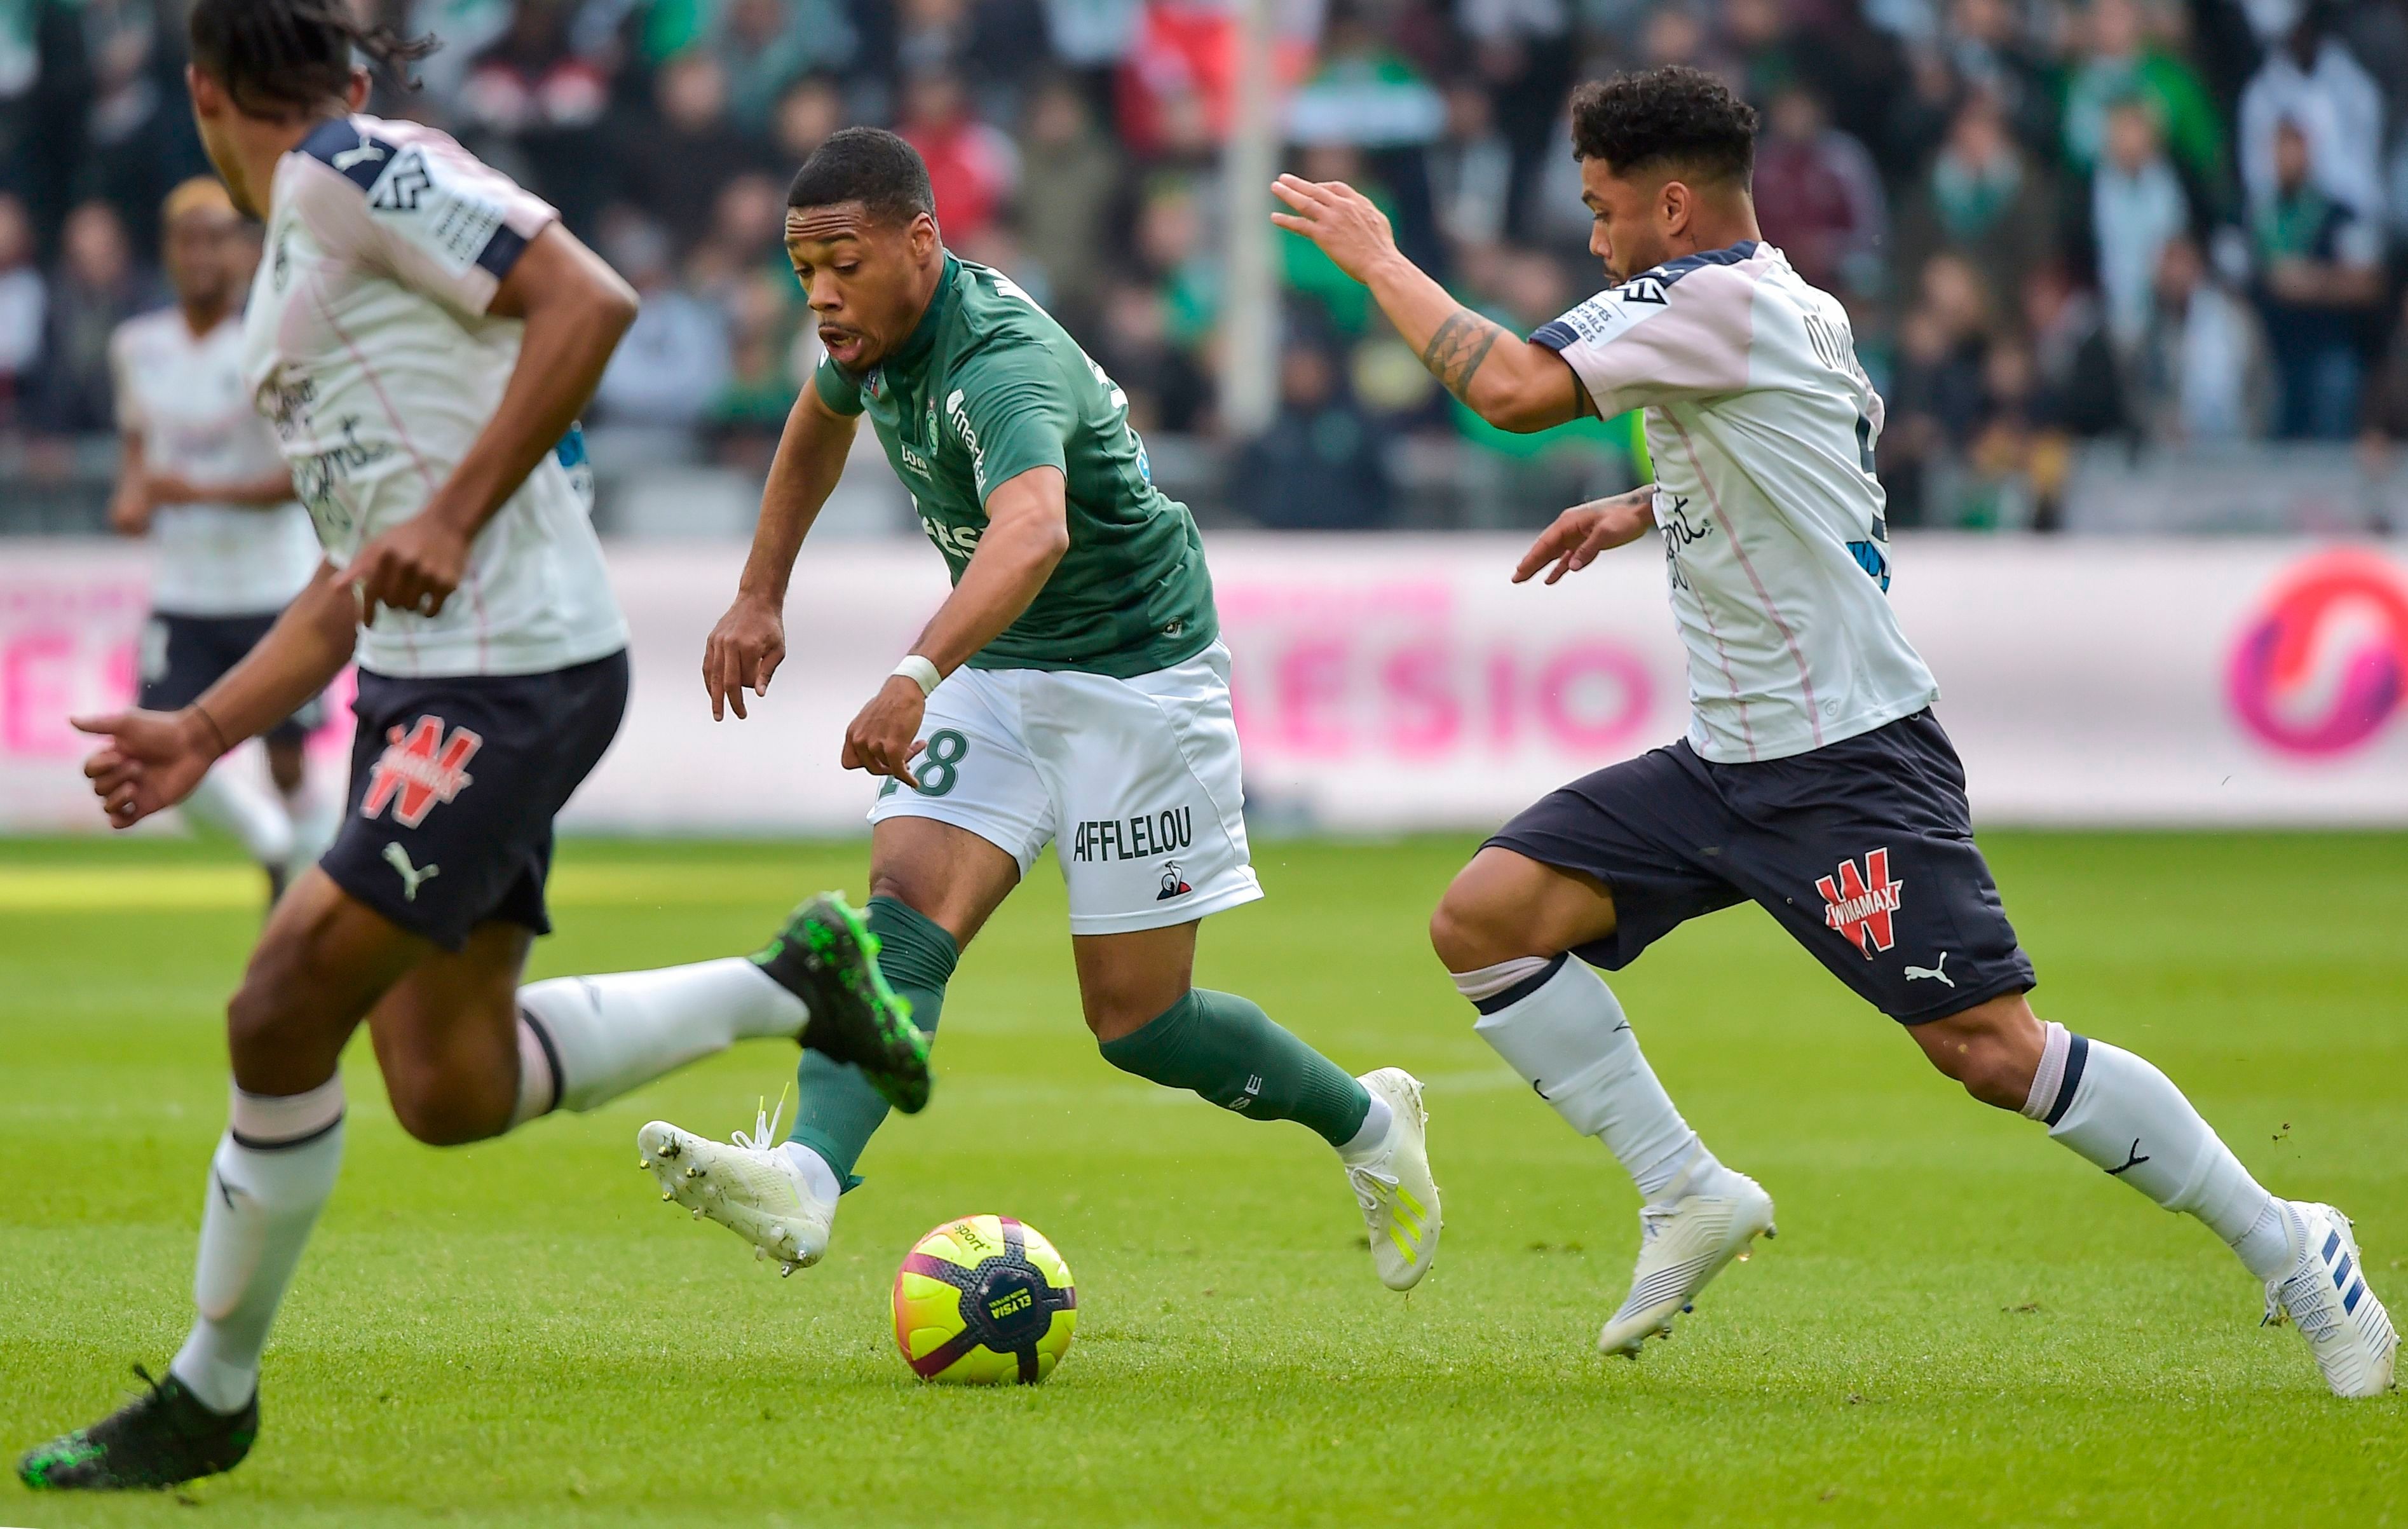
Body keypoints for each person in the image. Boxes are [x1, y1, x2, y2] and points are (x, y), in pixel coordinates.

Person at [1270, 64, 2397, 1397]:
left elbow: (1511, 391)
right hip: (1725, 759)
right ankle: (1685, 1190)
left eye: (1602, 210)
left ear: (1671, 208)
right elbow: (1811, 456)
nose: (1592, 238)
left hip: (1844, 761)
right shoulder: (1793, 303)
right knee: (1484, 922)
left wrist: (1378, 260)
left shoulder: (1704, 300)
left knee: (1990, 1052)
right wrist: (1649, 503)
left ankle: (2290, 1245)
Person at [18, 0, 922, 1493]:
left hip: (507, 674)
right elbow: (356, 568)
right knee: (445, 1083)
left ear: (200, 94)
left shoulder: (352, 173)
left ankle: (209, 1388)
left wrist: (450, 517)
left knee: (272, 1011)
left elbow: (592, 300)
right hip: (427, 678)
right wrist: (204, 725)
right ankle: (796, 980)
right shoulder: (307, 251)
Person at [643, 127, 1439, 1299]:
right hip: (1001, 664)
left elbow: (1033, 531)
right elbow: (818, 422)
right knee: (902, 913)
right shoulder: (870, 331)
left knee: (1138, 1023)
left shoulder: (997, 362)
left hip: (1136, 677)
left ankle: (1370, 1124)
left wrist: (909, 675)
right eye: (800, 268)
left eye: (841, 264)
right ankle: (805, 1178)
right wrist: (759, 592)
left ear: (921, 239)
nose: (817, 295)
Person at [109, 177, 332, 902]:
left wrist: (196, 493)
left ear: (242, 251)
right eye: (187, 239)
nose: (201, 254)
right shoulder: (137, 346)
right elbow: (137, 456)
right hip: (185, 592)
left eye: (215, 238)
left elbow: (309, 477)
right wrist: (133, 497)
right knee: (147, 743)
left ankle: (318, 893)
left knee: (290, 765)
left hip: (275, 588)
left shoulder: (273, 346)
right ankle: (270, 845)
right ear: (168, 251)